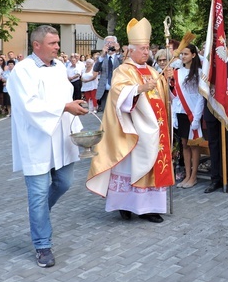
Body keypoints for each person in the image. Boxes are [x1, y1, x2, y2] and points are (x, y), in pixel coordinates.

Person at [9, 25, 89, 268]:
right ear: (37, 45)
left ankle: (38, 213)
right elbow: (29, 106)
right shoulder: (23, 70)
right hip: (37, 141)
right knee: (39, 191)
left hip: (63, 138)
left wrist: (76, 118)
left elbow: (65, 98)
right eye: (53, 43)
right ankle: (43, 245)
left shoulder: (59, 67)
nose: (57, 47)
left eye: (57, 43)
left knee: (64, 183)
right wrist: (65, 107)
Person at [86, 18, 174, 223]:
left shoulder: (152, 70)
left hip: (154, 128)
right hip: (132, 128)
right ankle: (124, 205)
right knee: (131, 166)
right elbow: (118, 94)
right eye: (142, 49)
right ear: (130, 50)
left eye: (147, 49)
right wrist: (138, 89)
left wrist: (167, 81)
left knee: (151, 164)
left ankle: (149, 208)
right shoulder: (123, 70)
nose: (146, 52)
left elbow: (164, 97)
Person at [204, 54, 228, 195]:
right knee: (213, 146)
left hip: (227, 114)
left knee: (226, 146)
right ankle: (215, 179)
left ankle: (227, 179)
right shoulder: (209, 68)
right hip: (211, 111)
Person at [170, 43, 205, 189]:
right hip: (181, 112)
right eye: (182, 54)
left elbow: (200, 97)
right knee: (184, 144)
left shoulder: (199, 73)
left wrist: (196, 118)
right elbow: (177, 97)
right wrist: (174, 114)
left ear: (193, 55)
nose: (183, 56)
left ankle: (194, 176)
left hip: (193, 113)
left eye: (186, 54)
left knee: (193, 144)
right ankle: (187, 173)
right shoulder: (177, 72)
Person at [93, 36, 123, 113]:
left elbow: (124, 67)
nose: (109, 45)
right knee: (105, 114)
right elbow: (96, 69)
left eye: (111, 42)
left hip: (116, 90)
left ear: (116, 44)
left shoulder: (119, 56)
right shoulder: (102, 57)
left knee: (116, 113)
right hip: (104, 91)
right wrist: (102, 55)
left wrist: (118, 52)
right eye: (107, 43)